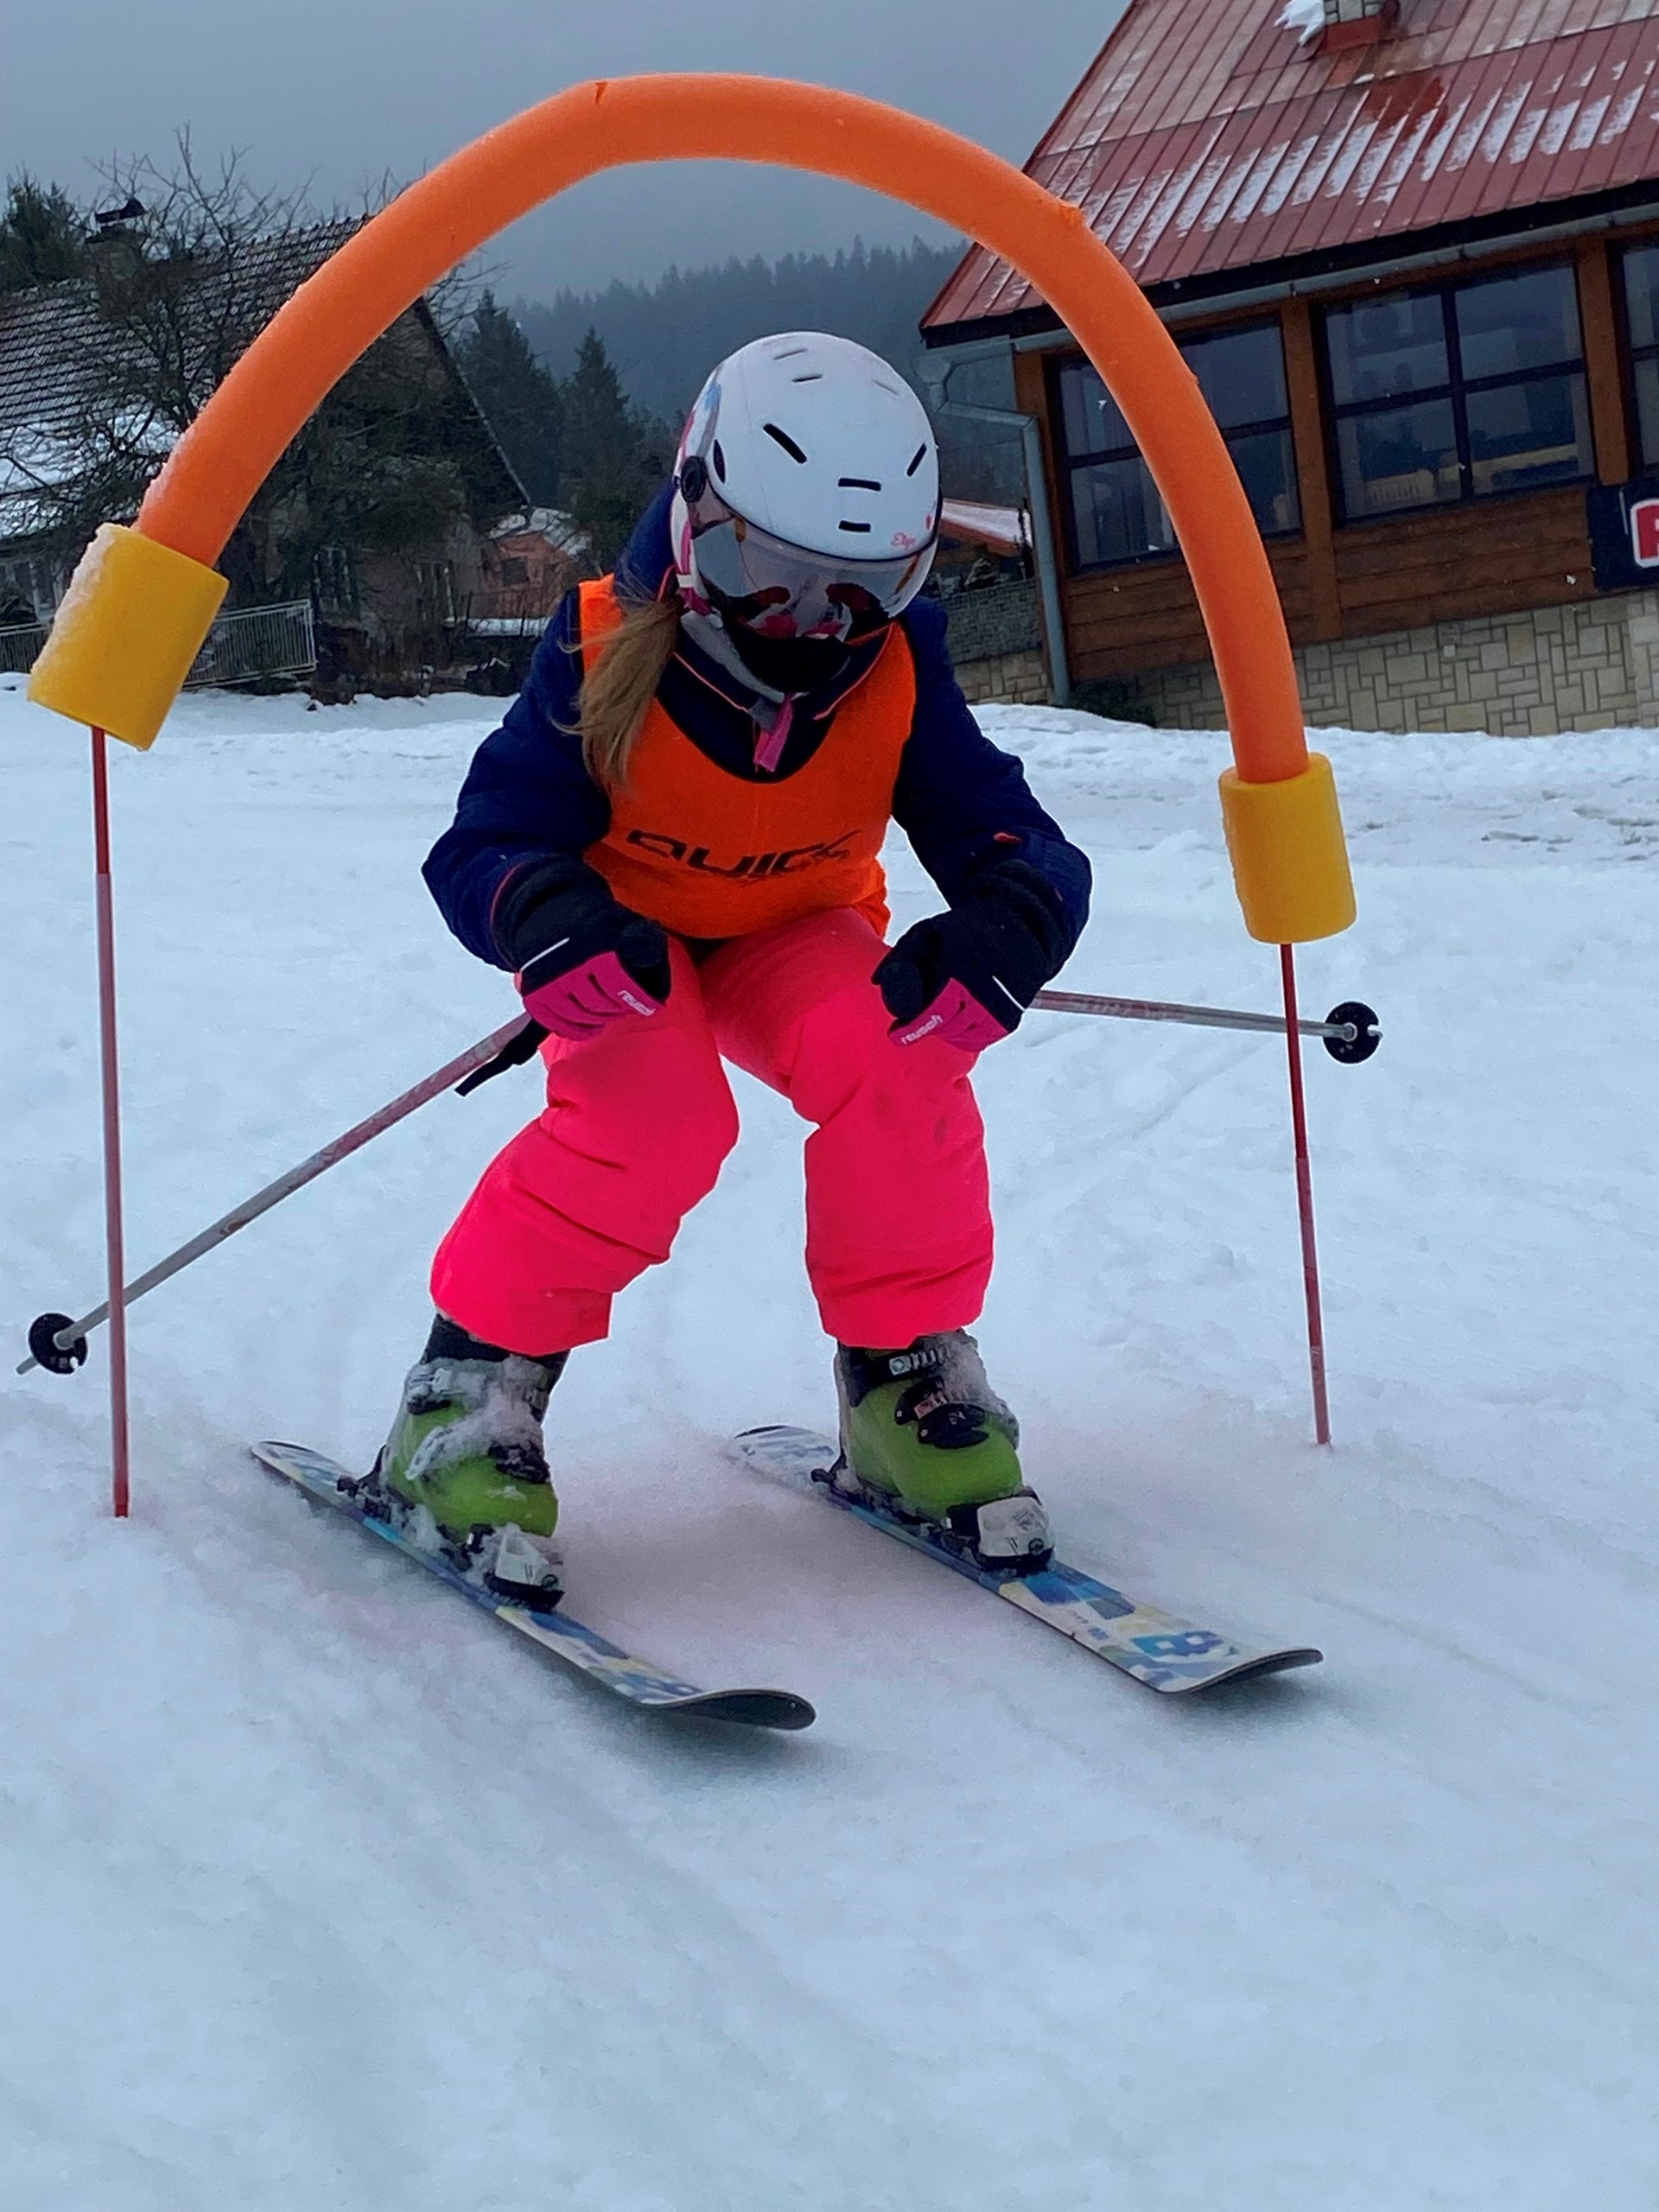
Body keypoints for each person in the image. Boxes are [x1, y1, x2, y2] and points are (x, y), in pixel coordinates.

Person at [376, 332, 1091, 1607]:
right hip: (629, 950)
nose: (816, 627)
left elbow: (1010, 833)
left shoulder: (901, 662)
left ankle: (904, 1383)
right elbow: (483, 844)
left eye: (864, 588)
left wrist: (1011, 918)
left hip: (794, 932)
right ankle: (465, 1397)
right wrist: (541, 913)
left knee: (902, 1057)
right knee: (655, 1117)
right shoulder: (605, 645)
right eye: (775, 577)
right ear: (700, 518)